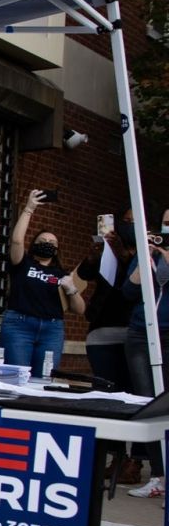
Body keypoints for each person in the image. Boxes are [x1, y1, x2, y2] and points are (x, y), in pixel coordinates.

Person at [0, 189, 85, 372]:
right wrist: (29, 208)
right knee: (17, 376)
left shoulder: (63, 274)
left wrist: (71, 289)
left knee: (44, 379)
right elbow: (17, 241)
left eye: (52, 243)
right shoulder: (23, 264)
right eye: (43, 240)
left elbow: (79, 309)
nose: (47, 243)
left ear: (57, 250)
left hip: (52, 330)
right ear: (34, 244)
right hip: (19, 326)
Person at [121, 213, 169, 498]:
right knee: (148, 403)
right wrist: (146, 256)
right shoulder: (147, 252)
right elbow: (128, 291)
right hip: (142, 333)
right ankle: (158, 476)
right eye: (165, 221)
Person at [71, 206, 137, 392]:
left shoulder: (148, 254)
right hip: (101, 330)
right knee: (104, 388)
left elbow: (131, 286)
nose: (128, 226)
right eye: (125, 221)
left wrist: (123, 254)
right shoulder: (109, 250)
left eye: (133, 222)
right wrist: (93, 257)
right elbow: (84, 274)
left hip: (133, 331)